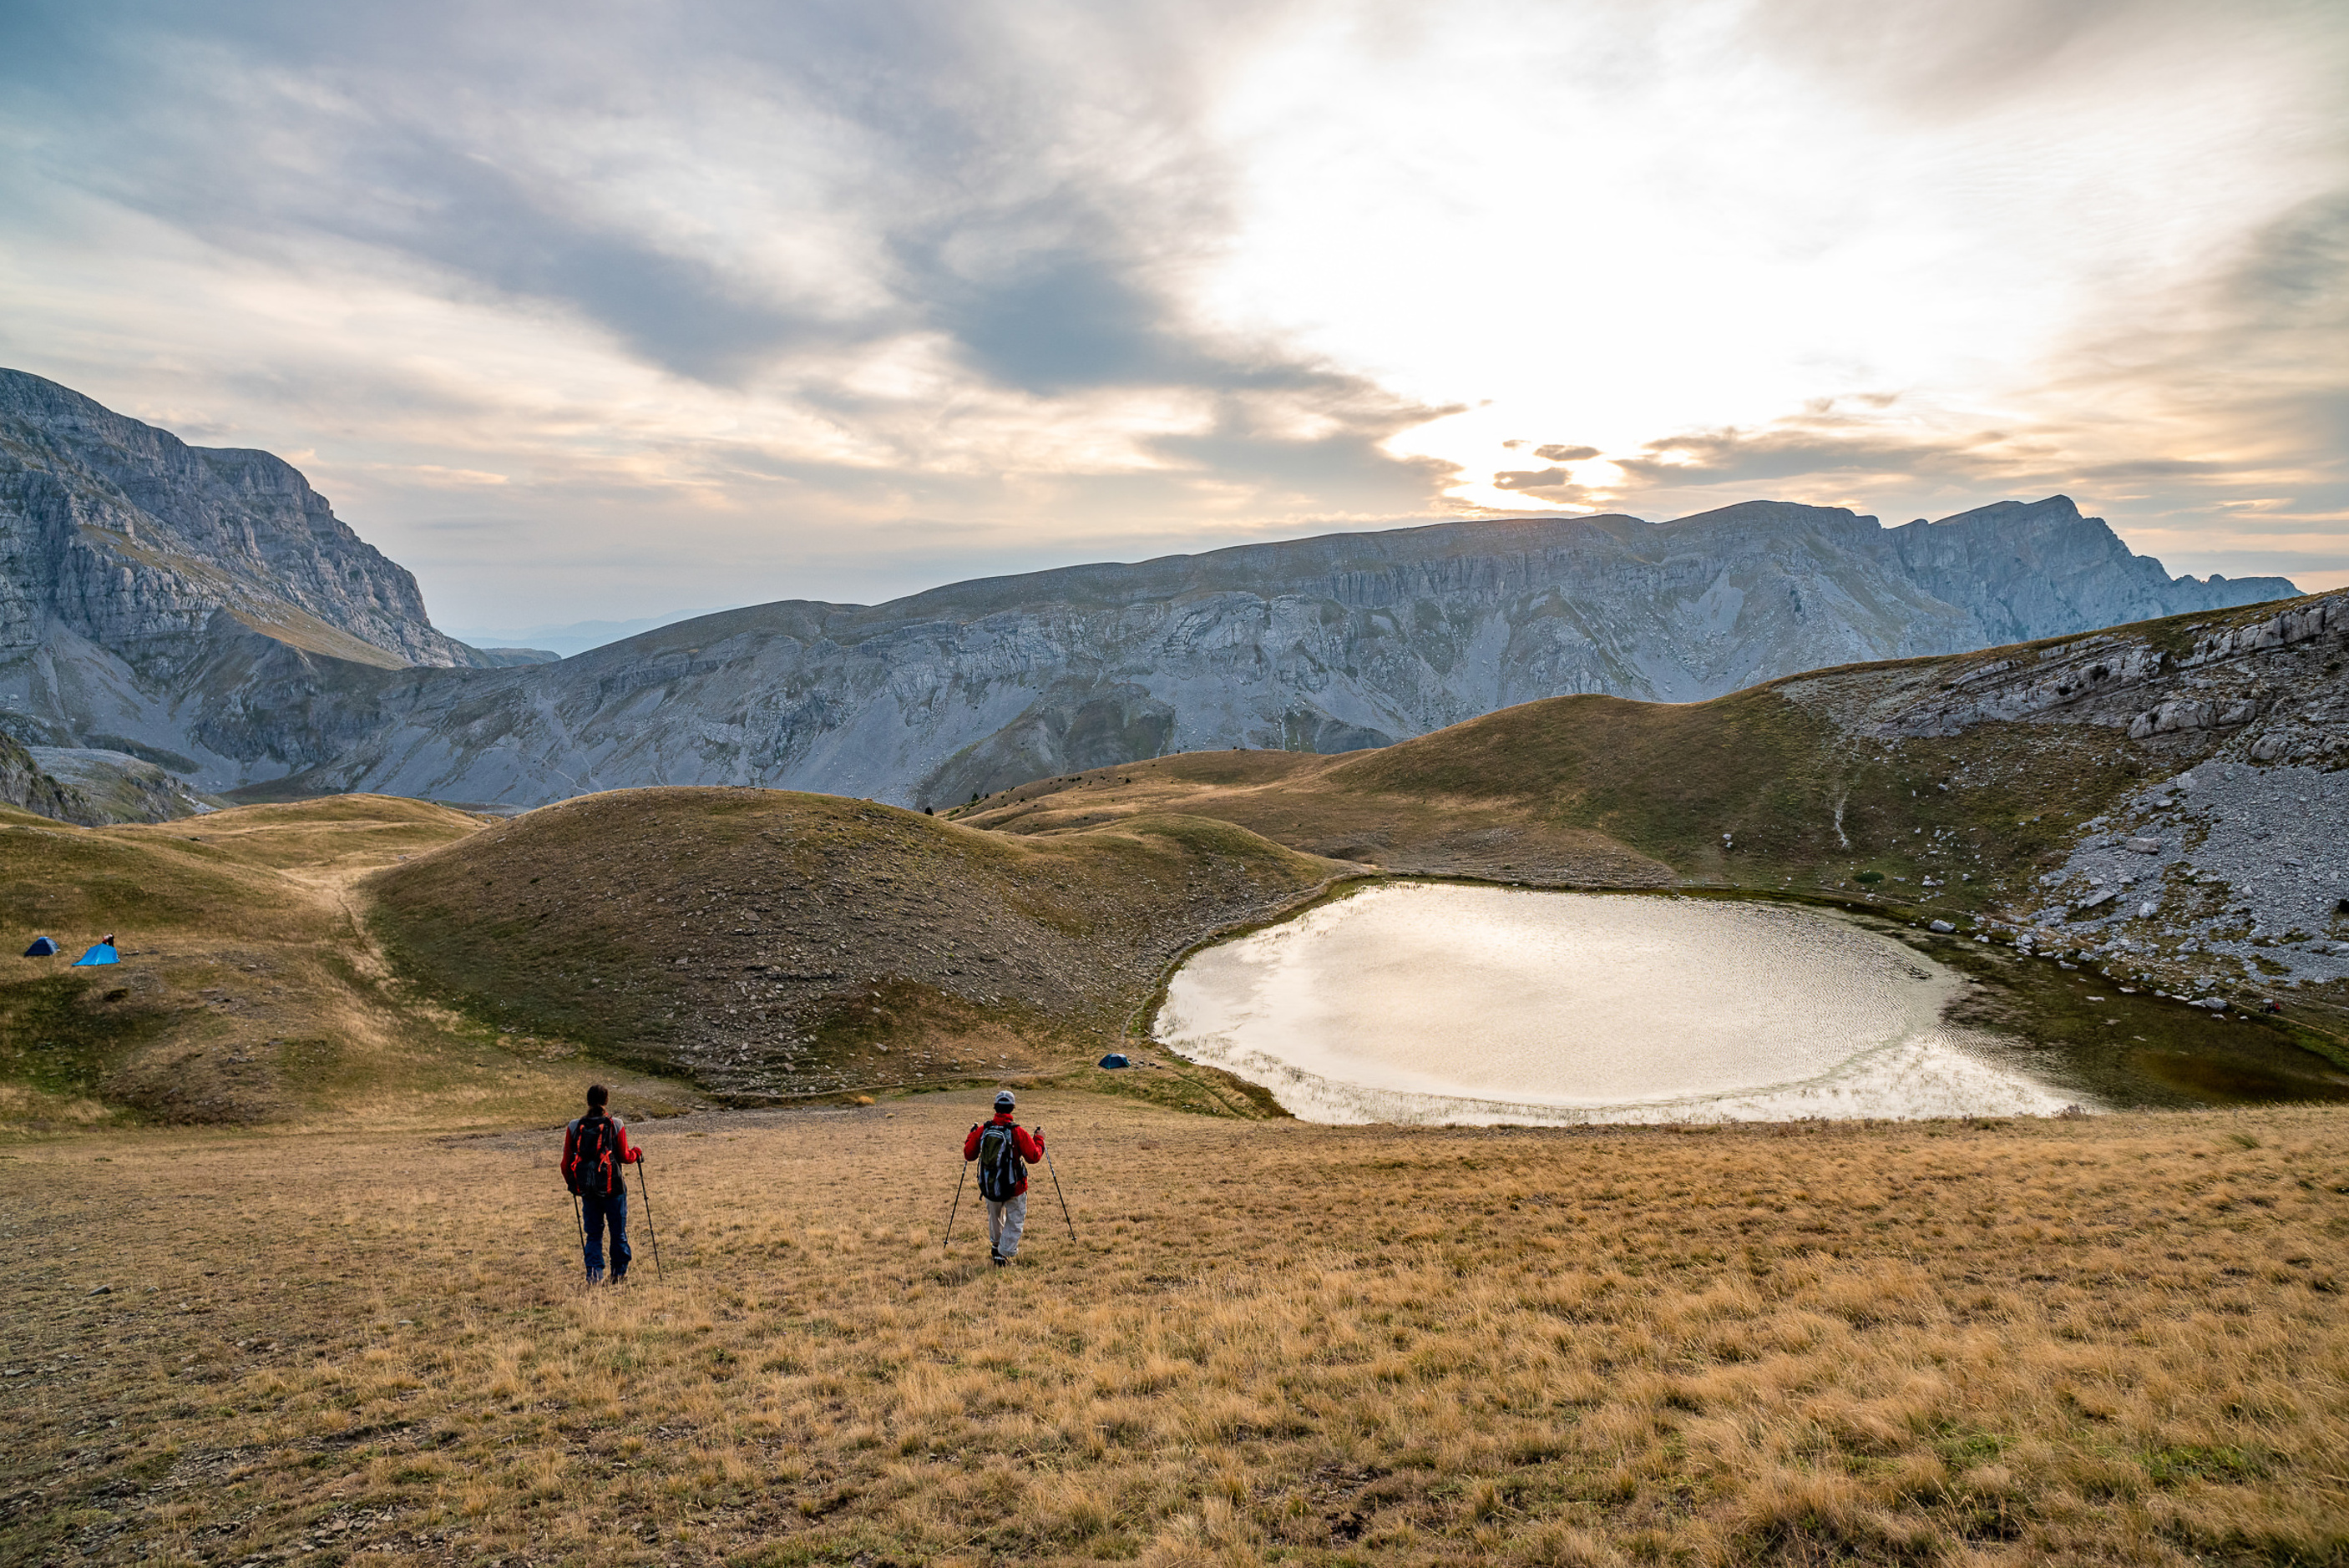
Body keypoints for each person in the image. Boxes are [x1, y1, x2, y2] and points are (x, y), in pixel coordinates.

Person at [562, 1085, 643, 1283]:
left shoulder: (574, 1126)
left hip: (588, 1190)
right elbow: (624, 1156)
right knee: (618, 1231)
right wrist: (636, 1153)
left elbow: (565, 1163)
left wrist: (575, 1185)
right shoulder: (615, 1124)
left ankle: (594, 1275)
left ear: (588, 1101)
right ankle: (619, 1274)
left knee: (593, 1234)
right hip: (613, 1188)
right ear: (606, 1101)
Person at [963, 1090, 1045, 1267]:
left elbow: (969, 1155)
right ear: (1012, 1109)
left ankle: (996, 1247)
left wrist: (972, 1134)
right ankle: (1003, 1255)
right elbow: (1034, 1157)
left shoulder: (984, 1130)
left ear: (995, 1107)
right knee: (1015, 1220)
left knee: (995, 1217)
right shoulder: (1018, 1132)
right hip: (1015, 1186)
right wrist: (1039, 1139)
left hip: (990, 1185)